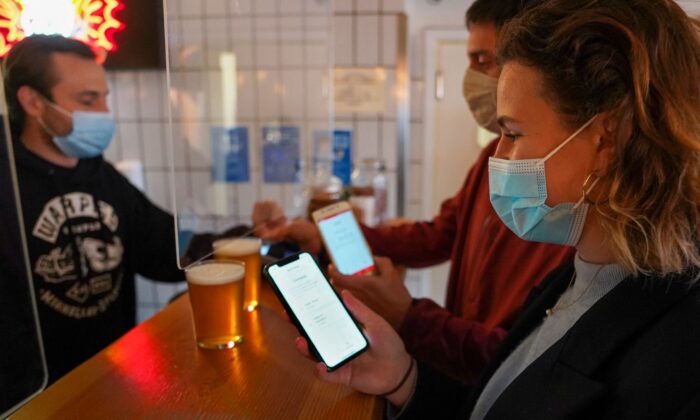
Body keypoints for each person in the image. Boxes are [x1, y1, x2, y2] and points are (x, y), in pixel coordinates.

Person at [296, 0, 700, 417]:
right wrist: (403, 379)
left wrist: (412, 320)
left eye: (512, 133)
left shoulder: (676, 361)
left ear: (605, 139)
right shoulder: (579, 272)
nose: (499, 157)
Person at [253, 0, 573, 382]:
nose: (470, 75)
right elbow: (439, 235)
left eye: (483, 60)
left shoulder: (566, 201)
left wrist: (409, 317)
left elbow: (523, 360)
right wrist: (325, 239)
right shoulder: (493, 155)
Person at [1, 35, 185, 384]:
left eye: (104, 99)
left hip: (111, 378)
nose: (103, 114)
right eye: (88, 100)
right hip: (33, 397)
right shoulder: (6, 180)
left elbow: (162, 249)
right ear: (32, 101)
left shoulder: (101, 176)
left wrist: (242, 240)